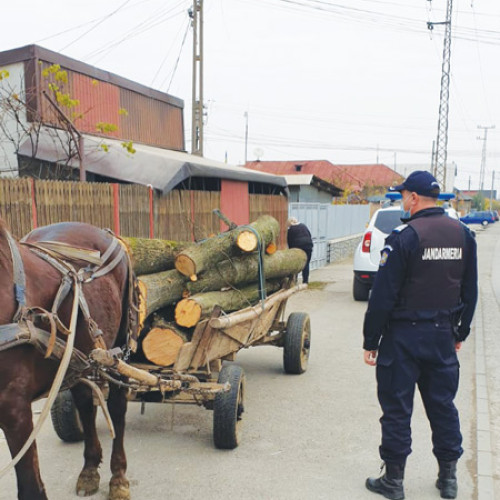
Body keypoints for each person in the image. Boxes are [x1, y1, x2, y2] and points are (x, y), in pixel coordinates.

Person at [362, 171, 478, 500]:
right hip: (442, 336)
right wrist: (461, 332)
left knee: (397, 410)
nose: (402, 201)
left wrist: (371, 341)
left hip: (403, 339)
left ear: (413, 198)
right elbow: (470, 291)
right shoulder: (463, 235)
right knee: (443, 406)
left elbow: (382, 297)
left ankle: (394, 482)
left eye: (403, 196)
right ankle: (448, 480)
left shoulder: (405, 237)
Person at [287, 217, 314, 284]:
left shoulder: (290, 230)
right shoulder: (303, 226)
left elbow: (289, 242)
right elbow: (309, 235)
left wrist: (291, 251)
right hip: (308, 246)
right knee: (306, 263)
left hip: (298, 247)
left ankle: (294, 280)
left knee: (295, 263)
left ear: (289, 223)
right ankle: (305, 281)